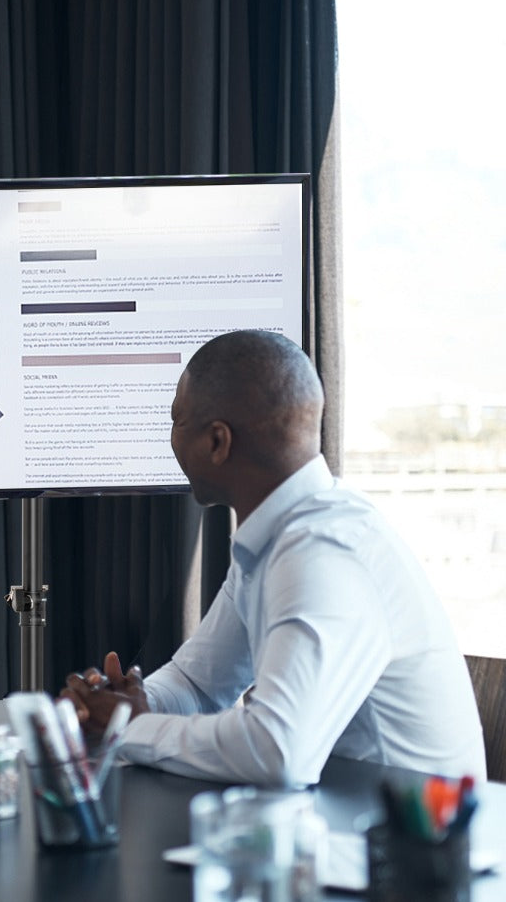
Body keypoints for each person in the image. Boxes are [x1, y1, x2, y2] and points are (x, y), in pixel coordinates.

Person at [62, 329, 486, 787]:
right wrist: (130, 701)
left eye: (176, 420)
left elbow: (279, 751)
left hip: (411, 847)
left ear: (218, 443)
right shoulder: (276, 539)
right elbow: (200, 683)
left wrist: (130, 727)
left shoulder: (324, 553)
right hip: (343, 826)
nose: (170, 439)